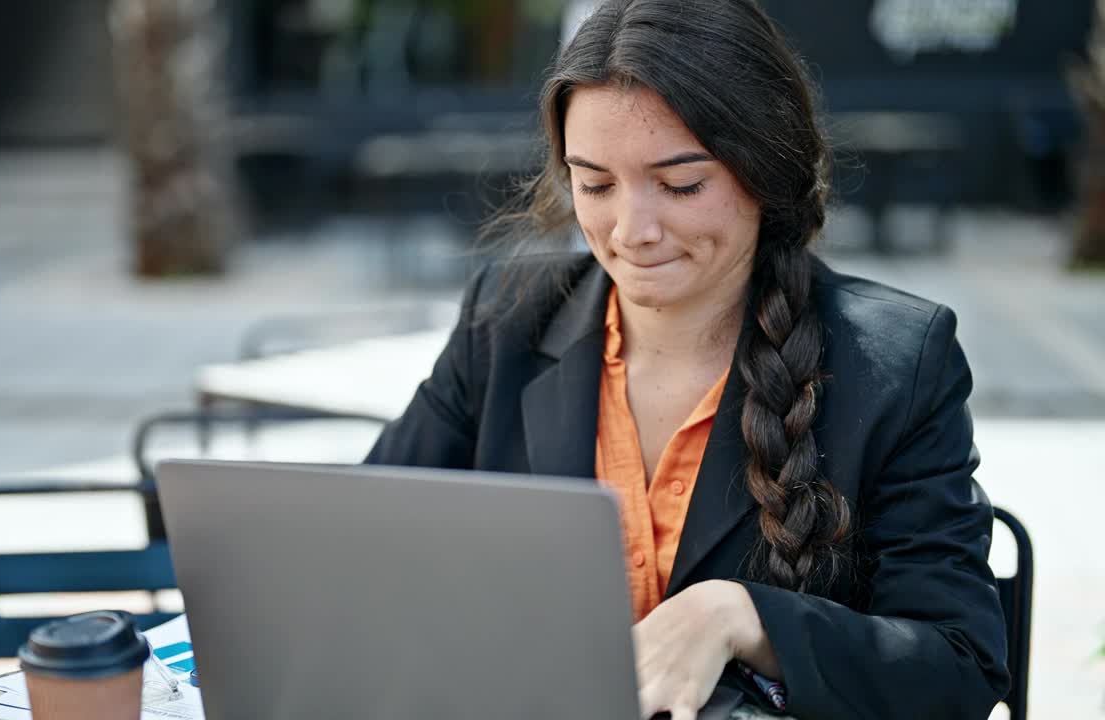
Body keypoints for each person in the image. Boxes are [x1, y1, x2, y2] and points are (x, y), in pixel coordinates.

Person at [364, 1, 1010, 718]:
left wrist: (740, 618)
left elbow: (959, 665)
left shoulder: (896, 363)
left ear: (767, 169)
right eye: (596, 184)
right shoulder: (506, 317)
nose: (632, 231)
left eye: (680, 185)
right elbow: (355, 537)